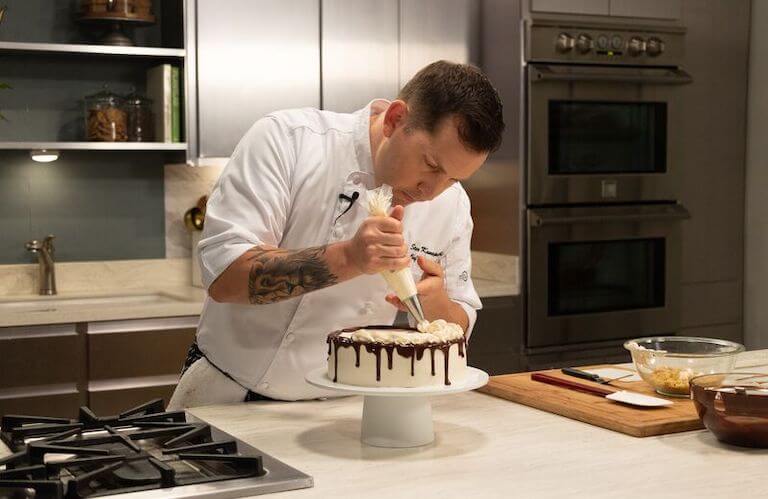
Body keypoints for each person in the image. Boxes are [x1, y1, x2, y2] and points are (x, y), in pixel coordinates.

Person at [168, 60, 505, 409]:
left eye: (453, 178)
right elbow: (225, 277)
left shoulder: (451, 205)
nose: (431, 191)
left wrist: (436, 304)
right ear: (394, 120)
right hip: (228, 395)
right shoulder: (289, 140)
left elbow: (459, 325)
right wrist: (350, 257)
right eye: (432, 165)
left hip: (352, 408)